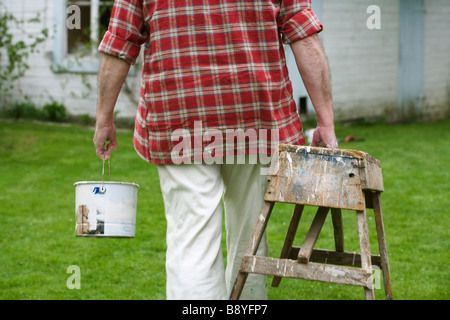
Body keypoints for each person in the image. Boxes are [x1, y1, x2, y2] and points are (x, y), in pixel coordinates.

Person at [93, 0, 337, 300]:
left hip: (179, 117)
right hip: (256, 117)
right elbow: (303, 33)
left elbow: (121, 39)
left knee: (192, 241)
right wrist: (325, 120)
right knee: (250, 237)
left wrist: (104, 118)